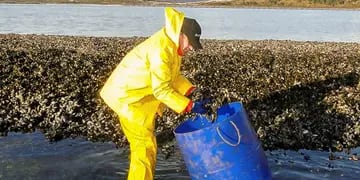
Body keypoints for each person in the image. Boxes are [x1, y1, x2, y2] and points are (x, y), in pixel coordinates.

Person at [100, 7, 209, 180]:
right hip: (128, 99)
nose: (190, 48)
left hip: (137, 97)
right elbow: (162, 90)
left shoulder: (170, 44)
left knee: (147, 148)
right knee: (143, 148)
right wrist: (190, 105)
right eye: (190, 43)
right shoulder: (161, 50)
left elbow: (171, 76)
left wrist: (191, 91)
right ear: (181, 34)